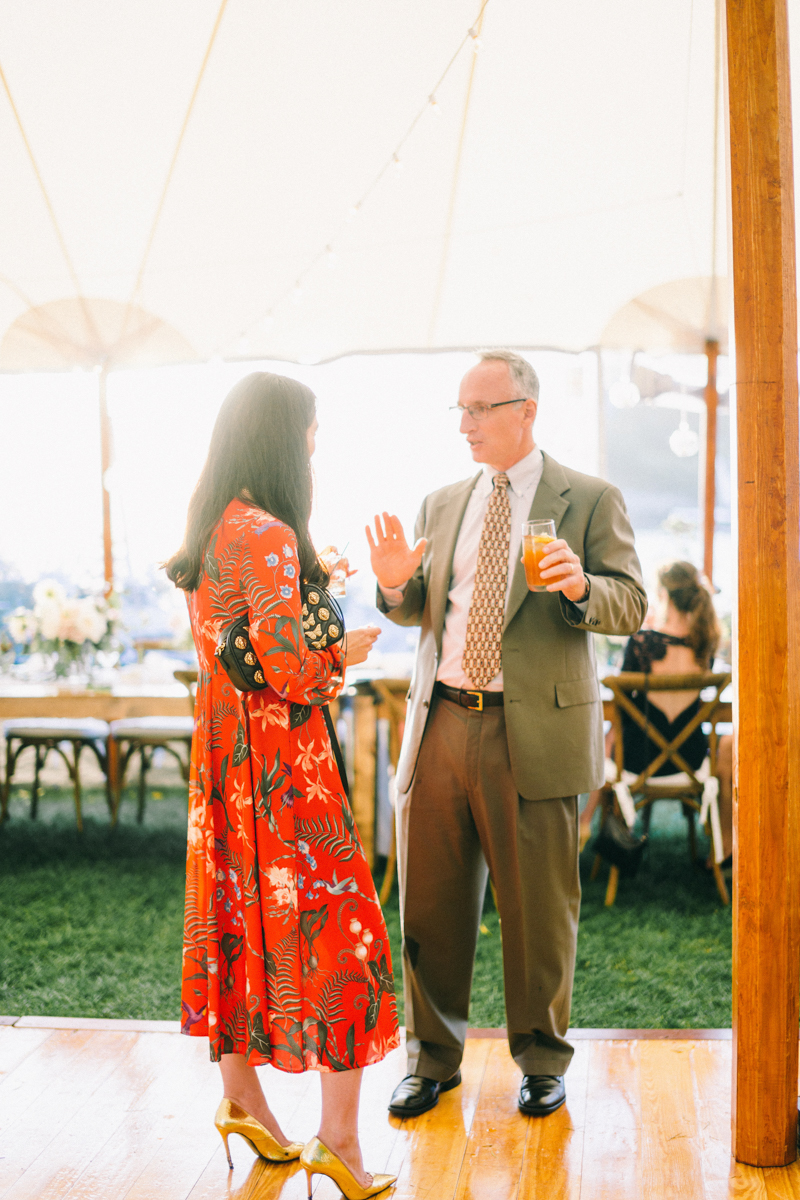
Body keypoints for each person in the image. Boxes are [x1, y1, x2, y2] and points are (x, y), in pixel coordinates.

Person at [367, 349, 647, 1120]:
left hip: (537, 733)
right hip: (442, 722)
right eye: (459, 410)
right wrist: (394, 582)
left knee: (539, 912)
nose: (465, 425)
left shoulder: (589, 498)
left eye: (480, 409)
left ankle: (541, 1061)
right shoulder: (440, 501)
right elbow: (415, 604)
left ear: (526, 409)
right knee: (428, 906)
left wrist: (581, 585)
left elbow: (631, 605)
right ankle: (430, 1059)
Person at [167, 372, 398, 1200]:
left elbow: (234, 654)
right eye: (308, 430)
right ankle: (338, 1140)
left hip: (224, 762)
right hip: (282, 765)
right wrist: (344, 651)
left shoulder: (210, 528)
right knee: (346, 936)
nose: (312, 445)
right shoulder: (264, 533)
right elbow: (289, 668)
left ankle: (243, 1100)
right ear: (279, 436)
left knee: (234, 919)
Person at [579, 560, 733, 865]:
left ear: (662, 595)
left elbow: (621, 705)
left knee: (615, 733)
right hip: (690, 758)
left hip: (639, 759)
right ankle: (724, 848)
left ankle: (589, 825)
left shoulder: (641, 642)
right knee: (621, 730)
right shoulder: (706, 646)